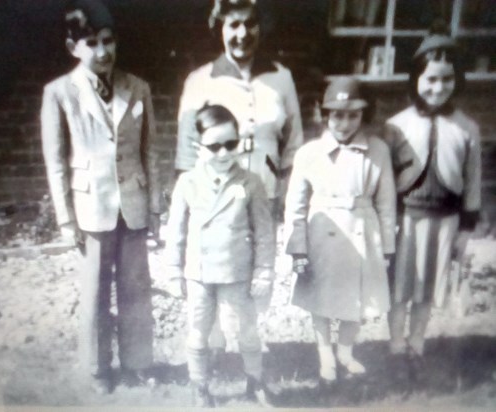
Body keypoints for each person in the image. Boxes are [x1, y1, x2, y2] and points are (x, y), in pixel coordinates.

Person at [40, 0, 162, 393]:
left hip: (134, 203)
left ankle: (139, 363)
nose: (103, 51)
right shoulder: (59, 93)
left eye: (108, 40)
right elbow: (55, 161)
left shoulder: (137, 87)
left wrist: (155, 207)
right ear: (72, 47)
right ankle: (97, 369)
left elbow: (150, 153)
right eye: (91, 43)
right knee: (94, 291)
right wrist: (64, 219)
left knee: (136, 289)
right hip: (90, 208)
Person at [176, 0, 303, 363]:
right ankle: (212, 347)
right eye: (233, 25)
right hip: (215, 198)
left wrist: (285, 195)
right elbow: (187, 151)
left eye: (250, 24)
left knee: (255, 267)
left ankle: (250, 346)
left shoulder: (281, 77)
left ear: (260, 27)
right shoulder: (201, 81)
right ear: (219, 26)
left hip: (263, 190)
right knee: (216, 265)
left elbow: (292, 143)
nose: (242, 34)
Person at [384, 28, 482, 379]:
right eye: (430, 79)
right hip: (406, 220)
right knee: (400, 288)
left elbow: (472, 181)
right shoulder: (396, 126)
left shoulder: (467, 128)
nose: (438, 88)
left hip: (446, 222)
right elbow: (384, 180)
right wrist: (386, 223)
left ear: (457, 81)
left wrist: (466, 229)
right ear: (416, 79)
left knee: (427, 288)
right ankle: (395, 346)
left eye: (446, 80)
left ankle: (416, 345)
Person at [284, 77, 396, 384]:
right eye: (337, 115)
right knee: (320, 297)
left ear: (364, 115)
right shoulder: (309, 153)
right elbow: (294, 205)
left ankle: (345, 351)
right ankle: (325, 354)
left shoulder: (378, 151)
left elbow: (386, 203)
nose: (345, 124)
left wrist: (387, 247)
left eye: (353, 115)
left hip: (362, 230)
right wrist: (298, 248)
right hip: (323, 229)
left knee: (356, 297)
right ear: (324, 115)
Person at [164, 104, 276, 407]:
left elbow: (265, 233)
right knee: (198, 332)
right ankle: (199, 387)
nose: (224, 154)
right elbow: (175, 232)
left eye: (231, 144)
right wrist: (174, 271)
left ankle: (255, 382)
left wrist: (264, 271)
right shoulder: (187, 183)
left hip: (237, 272)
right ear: (198, 146)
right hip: (200, 273)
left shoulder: (251, 182)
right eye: (214, 146)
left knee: (247, 331)